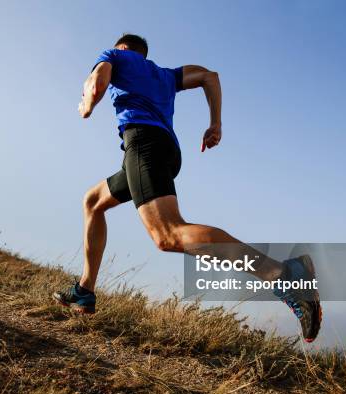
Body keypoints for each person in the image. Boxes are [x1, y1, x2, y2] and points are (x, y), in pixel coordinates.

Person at [53, 34, 322, 342]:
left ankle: (284, 275)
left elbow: (97, 82)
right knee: (93, 201)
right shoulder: (166, 76)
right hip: (164, 150)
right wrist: (215, 123)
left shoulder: (115, 55)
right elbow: (210, 76)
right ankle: (85, 291)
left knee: (168, 235)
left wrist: (87, 103)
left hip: (143, 146)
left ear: (123, 48)